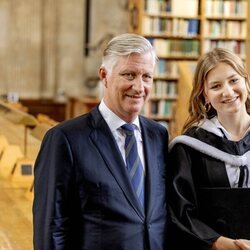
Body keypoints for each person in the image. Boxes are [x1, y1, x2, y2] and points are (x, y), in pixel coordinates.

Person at [33, 33, 169, 250]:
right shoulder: (65, 139)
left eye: (147, 76)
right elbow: (52, 228)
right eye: (129, 75)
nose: (139, 86)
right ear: (104, 75)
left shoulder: (158, 136)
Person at [166, 48, 250, 250]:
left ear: (246, 81)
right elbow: (179, 211)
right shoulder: (188, 148)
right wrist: (222, 244)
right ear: (205, 94)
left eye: (233, 80)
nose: (228, 91)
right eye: (216, 86)